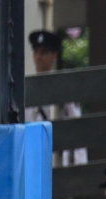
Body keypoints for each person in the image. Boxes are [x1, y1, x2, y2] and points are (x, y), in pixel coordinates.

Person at [25, 30, 87, 166]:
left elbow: (76, 124)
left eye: (43, 52)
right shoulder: (27, 87)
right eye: (36, 52)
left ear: (54, 55)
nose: (38, 57)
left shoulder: (64, 87)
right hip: (34, 152)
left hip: (57, 154)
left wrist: (80, 162)